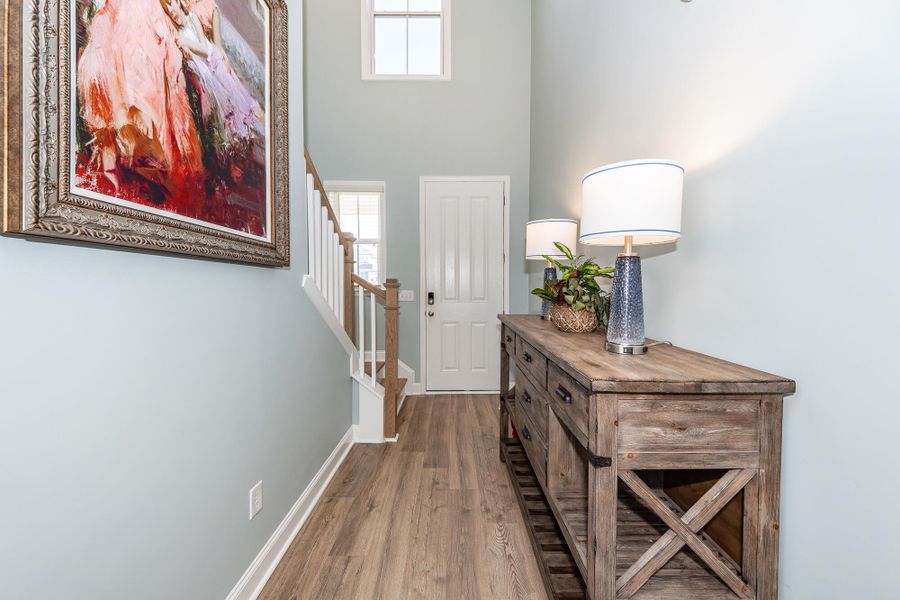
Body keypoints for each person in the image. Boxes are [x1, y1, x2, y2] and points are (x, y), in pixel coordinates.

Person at [76, 0, 204, 195]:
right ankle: (132, 151)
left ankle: (145, 155)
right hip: (128, 17)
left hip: (148, 20)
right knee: (125, 68)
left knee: (145, 73)